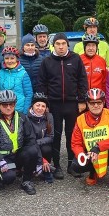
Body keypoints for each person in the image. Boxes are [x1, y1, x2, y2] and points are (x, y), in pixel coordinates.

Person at [37, 32, 88, 179]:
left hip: (72, 104)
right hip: (54, 104)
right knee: (56, 135)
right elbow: (42, 83)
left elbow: (82, 80)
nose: (60, 47)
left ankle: (72, 165)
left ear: (67, 45)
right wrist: (44, 103)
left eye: (63, 44)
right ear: (53, 45)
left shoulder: (75, 59)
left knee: (72, 135)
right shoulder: (47, 61)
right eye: (58, 44)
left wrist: (82, 100)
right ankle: (57, 165)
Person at [0, 90, 38, 197]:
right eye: (5, 105)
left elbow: (31, 139)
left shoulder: (22, 117)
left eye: (12, 104)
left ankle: (26, 181)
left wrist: (39, 161)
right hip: (2, 157)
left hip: (17, 154)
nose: (9, 107)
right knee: (8, 177)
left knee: (32, 150)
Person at [70, 89, 109, 193]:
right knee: (76, 165)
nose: (95, 106)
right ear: (87, 104)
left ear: (103, 102)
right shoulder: (80, 119)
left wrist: (98, 147)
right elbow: (75, 143)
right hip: (90, 153)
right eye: (92, 103)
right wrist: (82, 155)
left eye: (99, 102)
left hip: (107, 152)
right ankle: (92, 172)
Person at [27, 93, 55, 183]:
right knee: (31, 151)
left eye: (43, 106)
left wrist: (37, 142)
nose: (40, 108)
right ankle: (30, 170)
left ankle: (46, 170)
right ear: (32, 106)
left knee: (47, 149)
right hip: (29, 145)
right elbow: (27, 139)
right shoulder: (26, 118)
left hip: (40, 143)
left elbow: (50, 136)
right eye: (37, 105)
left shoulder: (49, 116)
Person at [0, 46, 33, 113]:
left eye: (12, 58)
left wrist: (25, 111)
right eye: (7, 58)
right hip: (4, 109)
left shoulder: (23, 73)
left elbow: (28, 94)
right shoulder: (0, 73)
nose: (9, 61)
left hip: (19, 109)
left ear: (16, 59)